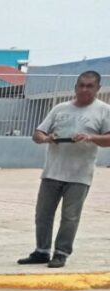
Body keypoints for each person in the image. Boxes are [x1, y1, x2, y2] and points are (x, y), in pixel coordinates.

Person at [18, 71, 110, 269]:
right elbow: (38, 133)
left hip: (80, 174)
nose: (84, 89)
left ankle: (61, 253)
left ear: (97, 89)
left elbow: (108, 139)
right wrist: (46, 138)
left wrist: (90, 137)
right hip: (52, 171)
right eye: (81, 85)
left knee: (70, 216)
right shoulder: (60, 108)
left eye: (90, 86)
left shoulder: (103, 111)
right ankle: (41, 251)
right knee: (43, 214)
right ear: (75, 86)